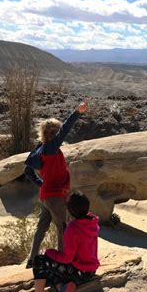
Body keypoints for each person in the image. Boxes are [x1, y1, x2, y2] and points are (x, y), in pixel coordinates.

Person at [20, 191, 100, 292]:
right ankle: (62, 286)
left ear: (69, 209)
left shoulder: (73, 228)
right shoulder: (92, 223)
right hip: (90, 271)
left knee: (40, 262)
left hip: (77, 271)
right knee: (50, 265)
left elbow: (67, 258)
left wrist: (50, 252)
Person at [24, 102, 88, 268]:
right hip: (56, 196)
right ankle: (63, 262)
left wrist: (41, 184)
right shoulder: (51, 148)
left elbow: (28, 170)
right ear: (54, 133)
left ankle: (31, 259)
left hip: (46, 195)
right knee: (63, 228)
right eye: (58, 132)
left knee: (42, 227)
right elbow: (65, 129)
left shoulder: (40, 149)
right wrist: (77, 112)